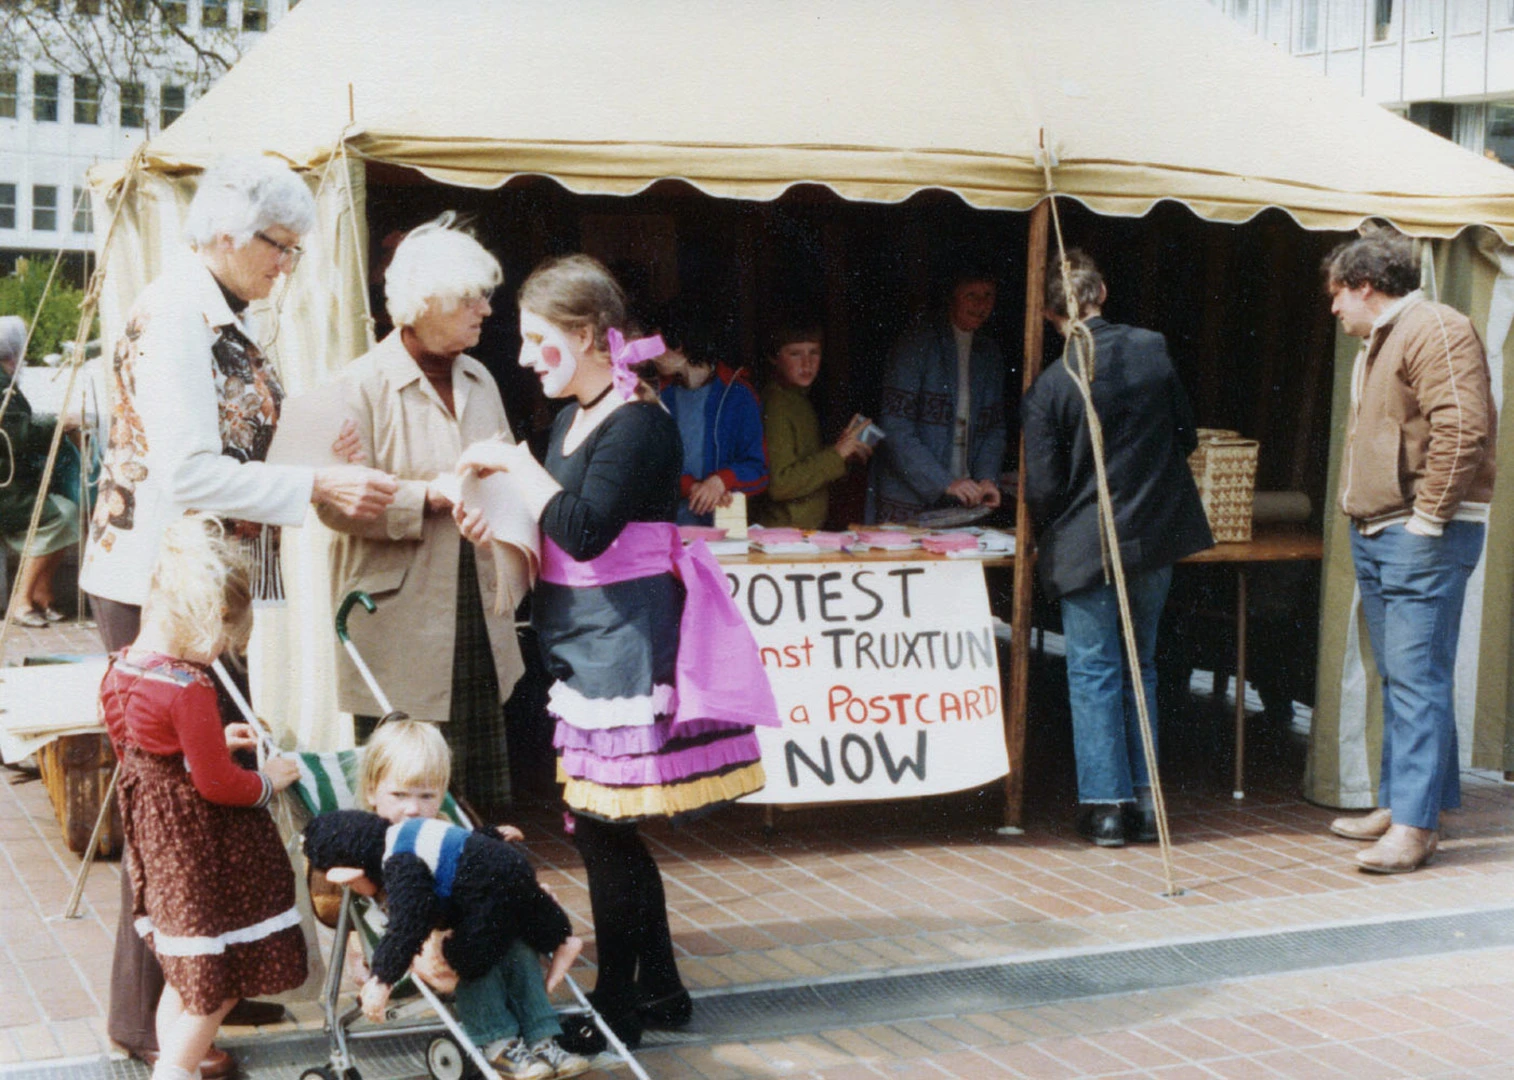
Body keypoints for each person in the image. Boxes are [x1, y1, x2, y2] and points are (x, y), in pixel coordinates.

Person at [79, 155, 397, 1075]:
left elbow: (231, 447)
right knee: (177, 811)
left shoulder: (219, 310)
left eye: (298, 247)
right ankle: (158, 1023)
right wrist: (313, 478)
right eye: (279, 244)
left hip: (204, 584)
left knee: (206, 803)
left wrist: (304, 451)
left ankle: (194, 1004)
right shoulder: (179, 312)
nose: (290, 263)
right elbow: (183, 472)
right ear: (223, 230)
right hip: (161, 587)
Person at [456, 255, 778, 1052]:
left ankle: (622, 1003)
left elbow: (583, 528)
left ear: (589, 336)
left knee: (604, 825)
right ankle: (658, 990)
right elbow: (555, 525)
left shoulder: (640, 423)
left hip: (626, 644)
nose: (527, 358)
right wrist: (497, 520)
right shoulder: (572, 419)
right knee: (607, 826)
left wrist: (518, 469)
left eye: (538, 340)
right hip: (589, 640)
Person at [318, 215, 529, 817]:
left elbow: (505, 472)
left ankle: (479, 904)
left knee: (480, 794)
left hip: (477, 604)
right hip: (399, 618)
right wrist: (425, 498)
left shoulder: (480, 377)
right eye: (472, 297)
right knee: (404, 788)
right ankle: (406, 908)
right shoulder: (357, 384)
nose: (486, 310)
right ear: (425, 300)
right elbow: (330, 503)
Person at [98, 515, 306, 1080]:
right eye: (224, 636)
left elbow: (149, 748)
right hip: (201, 853)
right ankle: (175, 1073)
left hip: (158, 851)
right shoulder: (189, 685)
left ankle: (176, 1065)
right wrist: (271, 781)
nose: (220, 651)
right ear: (205, 615)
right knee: (215, 987)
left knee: (186, 973)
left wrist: (211, 741)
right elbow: (217, 784)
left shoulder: (123, 668)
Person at [1021, 250, 1213, 848]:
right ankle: (1149, 804)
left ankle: (1107, 809)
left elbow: (1045, 489)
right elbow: (1185, 434)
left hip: (1086, 544)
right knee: (1141, 667)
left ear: (1051, 314)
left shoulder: (1051, 386)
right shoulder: (1153, 349)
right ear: (1101, 290)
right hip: (1152, 537)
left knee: (1094, 672)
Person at [1321, 227, 1497, 874]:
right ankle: (1406, 802)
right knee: (1405, 674)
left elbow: (1463, 428)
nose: (1334, 308)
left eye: (1339, 294)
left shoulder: (1437, 329)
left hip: (1418, 533)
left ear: (1367, 288)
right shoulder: (1387, 336)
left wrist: (1429, 520)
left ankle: (1415, 827)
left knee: (1416, 677)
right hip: (1382, 530)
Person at [338, 719, 589, 1079]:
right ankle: (497, 1041)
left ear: (441, 794)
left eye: (426, 796)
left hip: (472, 918)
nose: (413, 809)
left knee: (517, 944)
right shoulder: (373, 839)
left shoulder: (444, 828)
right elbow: (374, 892)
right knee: (474, 954)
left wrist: (493, 840)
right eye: (400, 795)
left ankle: (542, 1037)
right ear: (372, 791)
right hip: (418, 936)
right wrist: (359, 881)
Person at [870, 266, 1009, 522]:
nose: (981, 304)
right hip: (909, 499)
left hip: (964, 500)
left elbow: (994, 428)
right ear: (951, 297)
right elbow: (895, 428)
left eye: (988, 294)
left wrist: (987, 478)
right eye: (971, 295)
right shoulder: (916, 344)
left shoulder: (988, 354)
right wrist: (944, 482)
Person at [646, 307, 768, 525]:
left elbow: (759, 470)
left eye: (658, 344)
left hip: (725, 527)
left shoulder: (738, 394)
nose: (652, 354)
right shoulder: (657, 395)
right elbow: (649, 464)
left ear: (682, 344)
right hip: (667, 525)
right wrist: (690, 486)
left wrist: (722, 481)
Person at [0, 314, 80, 627]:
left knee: (65, 510)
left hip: (10, 485)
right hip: (6, 492)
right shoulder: (3, 383)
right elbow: (14, 432)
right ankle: (21, 601)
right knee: (65, 515)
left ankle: (43, 593)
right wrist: (61, 423)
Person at [755, 321, 872, 529]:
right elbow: (779, 485)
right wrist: (836, 454)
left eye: (814, 353)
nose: (807, 363)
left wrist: (844, 453)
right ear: (774, 357)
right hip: (783, 534)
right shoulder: (776, 405)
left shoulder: (799, 399)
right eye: (795, 354)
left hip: (802, 531)